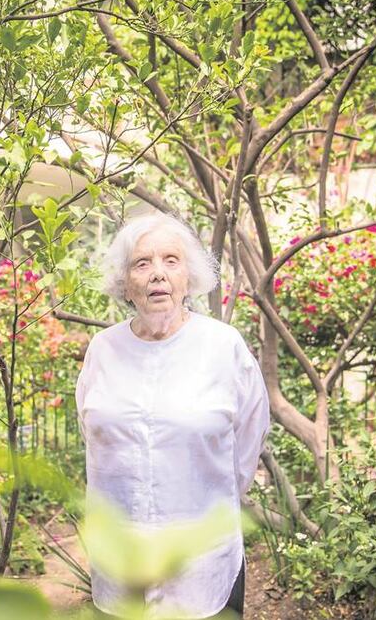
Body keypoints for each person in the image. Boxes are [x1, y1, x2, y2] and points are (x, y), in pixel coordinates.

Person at [76, 212, 272, 619]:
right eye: (141, 263)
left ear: (189, 277)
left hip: (202, 563)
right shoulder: (103, 349)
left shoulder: (223, 347)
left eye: (171, 260)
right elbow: (92, 432)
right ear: (124, 283)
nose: (157, 274)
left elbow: (249, 438)